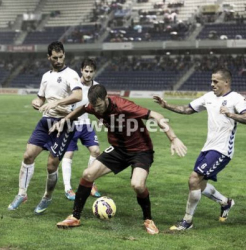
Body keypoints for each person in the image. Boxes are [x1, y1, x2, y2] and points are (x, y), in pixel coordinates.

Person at [52, 85, 187, 235]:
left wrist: (173, 138)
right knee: (88, 174)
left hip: (141, 150)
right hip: (119, 150)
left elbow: (156, 116)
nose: (96, 110)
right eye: (94, 107)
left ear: (106, 98)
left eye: (99, 106)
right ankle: (75, 217)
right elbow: (83, 109)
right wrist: (65, 120)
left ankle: (148, 220)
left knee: (137, 184)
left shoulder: (124, 106)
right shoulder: (94, 106)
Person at [153, 67, 246, 231]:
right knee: (199, 185)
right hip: (208, 148)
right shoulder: (208, 97)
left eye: (216, 81)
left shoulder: (236, 98)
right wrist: (166, 105)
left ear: (226, 82)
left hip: (222, 150)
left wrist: (231, 115)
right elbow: (187, 109)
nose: (212, 84)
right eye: (211, 81)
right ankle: (225, 202)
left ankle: (187, 221)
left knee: (194, 179)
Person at [7, 41, 83, 214]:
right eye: (54, 57)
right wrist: (37, 102)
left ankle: (47, 197)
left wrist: (57, 102)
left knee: (51, 166)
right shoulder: (45, 76)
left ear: (64, 55)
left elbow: (78, 95)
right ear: (49, 57)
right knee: (28, 155)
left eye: (61, 56)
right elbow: (41, 98)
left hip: (64, 123)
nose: (58, 60)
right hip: (45, 121)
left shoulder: (71, 74)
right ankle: (22, 194)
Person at [62, 58, 101, 201]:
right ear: (81, 70)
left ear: (94, 72)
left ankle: (90, 183)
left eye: (91, 71)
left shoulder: (96, 87)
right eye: (86, 71)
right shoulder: (74, 85)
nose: (89, 74)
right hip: (71, 124)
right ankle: (68, 189)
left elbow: (99, 105)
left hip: (86, 124)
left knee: (96, 151)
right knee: (69, 154)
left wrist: (101, 119)